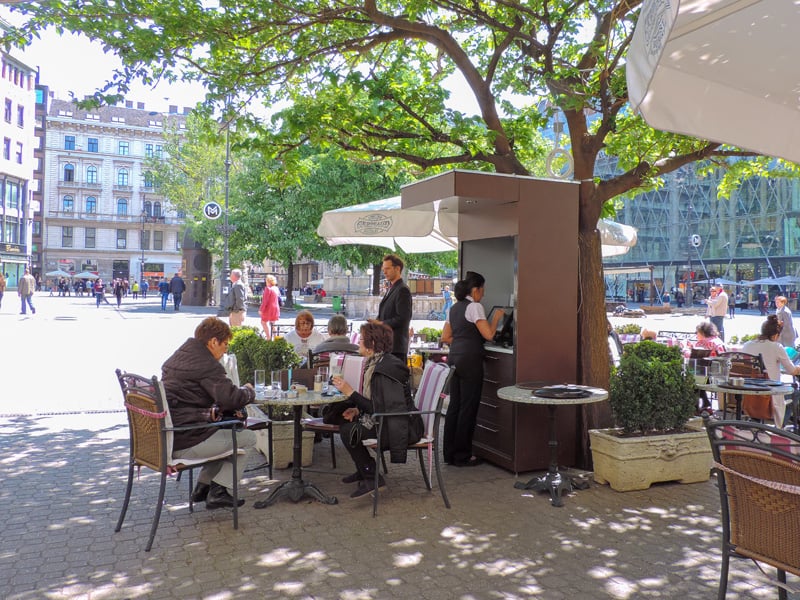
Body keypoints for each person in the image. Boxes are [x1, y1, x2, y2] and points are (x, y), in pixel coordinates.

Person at [161, 317, 257, 509]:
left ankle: (202, 488)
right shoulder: (206, 364)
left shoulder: (178, 356)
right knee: (247, 439)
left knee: (225, 434)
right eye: (225, 345)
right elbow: (231, 398)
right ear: (213, 342)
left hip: (173, 436)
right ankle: (219, 490)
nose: (225, 350)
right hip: (187, 439)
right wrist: (249, 391)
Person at [330, 321, 424, 498]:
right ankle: (364, 469)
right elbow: (379, 403)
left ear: (371, 344)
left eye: (361, 339)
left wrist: (350, 392)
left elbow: (383, 409)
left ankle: (371, 477)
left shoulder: (384, 369)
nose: (358, 342)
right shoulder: (376, 363)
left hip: (400, 426)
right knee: (346, 423)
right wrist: (358, 411)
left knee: (349, 431)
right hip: (390, 420)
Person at [441, 271, 505, 467]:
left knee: (454, 407)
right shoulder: (475, 307)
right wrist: (497, 318)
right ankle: (463, 455)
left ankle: (449, 453)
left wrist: (462, 342)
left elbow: (446, 337)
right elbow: (488, 335)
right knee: (468, 408)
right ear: (475, 290)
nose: (483, 294)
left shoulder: (454, 308)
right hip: (470, 360)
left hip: (455, 358)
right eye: (482, 290)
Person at [742, 315, 800, 427]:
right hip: (770, 392)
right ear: (775, 335)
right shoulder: (776, 347)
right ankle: (780, 426)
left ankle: (757, 421)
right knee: (796, 392)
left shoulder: (747, 345)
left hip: (750, 390)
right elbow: (792, 370)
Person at [373, 254, 412, 363]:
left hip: (396, 348)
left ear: (397, 268)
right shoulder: (391, 288)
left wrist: (381, 324)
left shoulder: (402, 290)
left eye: (387, 269)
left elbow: (403, 318)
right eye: (383, 269)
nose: (384, 272)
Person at [259, 275, 281, 339]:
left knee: (263, 322)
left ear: (268, 281)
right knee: (273, 324)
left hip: (269, 309)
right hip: (275, 308)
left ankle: (268, 338)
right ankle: (276, 338)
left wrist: (261, 310)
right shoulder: (276, 288)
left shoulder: (268, 289)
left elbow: (265, 301)